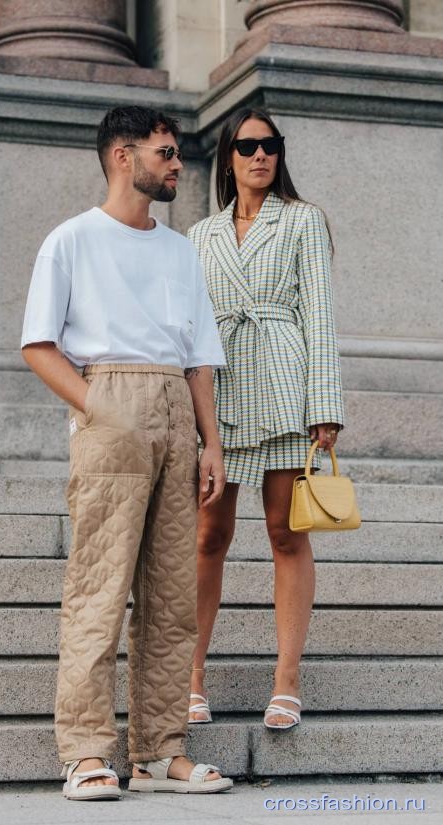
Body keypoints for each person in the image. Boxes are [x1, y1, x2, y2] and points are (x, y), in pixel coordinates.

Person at [21, 105, 233, 800]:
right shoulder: (72, 240)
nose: (178, 165)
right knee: (99, 590)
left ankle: (160, 750)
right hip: (108, 398)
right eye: (167, 153)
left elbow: (199, 354)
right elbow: (39, 344)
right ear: (123, 155)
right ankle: (85, 750)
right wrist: (94, 405)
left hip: (178, 410)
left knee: (172, 597)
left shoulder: (179, 250)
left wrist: (212, 441)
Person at [187, 107, 344, 731]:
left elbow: (321, 315)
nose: (260, 155)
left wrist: (324, 407)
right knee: (207, 537)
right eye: (247, 146)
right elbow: (190, 325)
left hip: (284, 384)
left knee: (285, 532)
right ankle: (191, 674)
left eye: (270, 145)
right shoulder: (200, 234)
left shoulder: (305, 221)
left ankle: (286, 678)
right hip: (219, 395)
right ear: (228, 156)